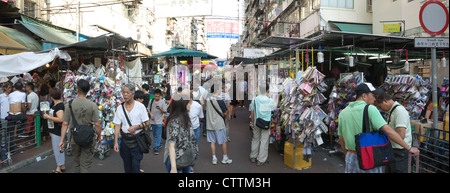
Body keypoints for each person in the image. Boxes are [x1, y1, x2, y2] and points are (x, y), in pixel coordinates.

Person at [338, 83, 420, 173]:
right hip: (367, 156)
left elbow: (341, 138)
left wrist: (347, 155)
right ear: (364, 96)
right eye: (372, 96)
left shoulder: (343, 112)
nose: (374, 99)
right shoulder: (370, 109)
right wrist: (408, 148)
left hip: (351, 156)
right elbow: (388, 131)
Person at [59, 79, 101, 173]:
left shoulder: (69, 105)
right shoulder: (93, 105)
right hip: (88, 138)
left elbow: (65, 123)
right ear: (88, 91)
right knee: (85, 164)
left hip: (74, 138)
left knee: (76, 162)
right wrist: (99, 136)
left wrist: (62, 141)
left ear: (77, 89)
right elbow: (97, 124)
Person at [113, 84, 150, 173]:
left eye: (127, 92)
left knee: (136, 165)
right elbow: (117, 125)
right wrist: (115, 142)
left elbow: (147, 122)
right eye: (123, 92)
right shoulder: (120, 108)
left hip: (137, 139)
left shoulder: (140, 107)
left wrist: (137, 126)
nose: (125, 94)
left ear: (133, 94)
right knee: (127, 166)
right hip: (125, 140)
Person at [374, 89, 412, 173]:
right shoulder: (393, 111)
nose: (381, 109)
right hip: (393, 150)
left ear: (385, 101)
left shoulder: (399, 111)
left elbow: (400, 135)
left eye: (380, 106)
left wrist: (388, 132)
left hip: (399, 152)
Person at [164, 97, 198, 173]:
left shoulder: (185, 118)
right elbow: (171, 145)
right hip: (176, 160)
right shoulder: (175, 121)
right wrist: (173, 167)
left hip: (186, 158)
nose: (190, 105)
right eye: (188, 103)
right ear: (183, 105)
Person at [249, 83, 276, 166]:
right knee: (264, 141)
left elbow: (252, 111)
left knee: (255, 139)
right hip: (266, 123)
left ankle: (253, 156)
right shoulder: (270, 100)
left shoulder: (255, 99)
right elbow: (275, 107)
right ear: (268, 90)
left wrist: (252, 121)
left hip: (256, 122)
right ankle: (261, 159)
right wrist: (278, 97)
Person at [206, 85, 232, 165]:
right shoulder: (220, 100)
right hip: (219, 124)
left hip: (210, 124)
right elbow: (225, 113)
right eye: (220, 89)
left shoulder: (207, 99)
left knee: (212, 141)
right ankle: (225, 158)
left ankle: (214, 158)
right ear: (217, 90)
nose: (221, 90)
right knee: (223, 140)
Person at [43, 88, 66, 173]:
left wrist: (48, 117)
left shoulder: (59, 105)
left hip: (57, 130)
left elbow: (60, 119)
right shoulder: (56, 105)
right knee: (59, 148)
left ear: (51, 96)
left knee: (58, 148)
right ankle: (62, 165)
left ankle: (58, 167)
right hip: (55, 130)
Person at [7, 82, 27, 152]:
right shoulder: (23, 94)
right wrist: (24, 112)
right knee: (25, 118)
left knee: (11, 133)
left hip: (10, 115)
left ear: (14, 88)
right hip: (18, 114)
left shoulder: (10, 95)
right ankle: (20, 132)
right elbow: (23, 106)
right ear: (22, 88)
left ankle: (12, 150)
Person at [147, 88, 167, 155]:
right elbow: (148, 109)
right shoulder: (151, 101)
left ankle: (156, 148)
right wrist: (150, 114)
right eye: (155, 96)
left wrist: (160, 109)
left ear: (160, 96)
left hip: (159, 121)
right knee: (155, 134)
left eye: (158, 96)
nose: (156, 97)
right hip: (152, 121)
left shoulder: (162, 102)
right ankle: (159, 143)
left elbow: (165, 111)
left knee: (158, 135)